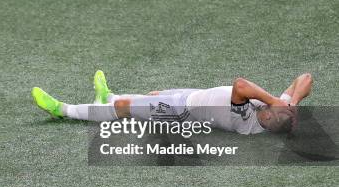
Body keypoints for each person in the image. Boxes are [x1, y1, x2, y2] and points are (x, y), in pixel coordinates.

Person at [32, 71, 313, 134]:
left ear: (268, 122)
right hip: (193, 96)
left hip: (181, 112)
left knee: (125, 109)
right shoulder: (276, 113)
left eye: (271, 112)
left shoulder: (248, 119)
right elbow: (306, 78)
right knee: (153, 94)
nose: (267, 109)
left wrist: (274, 99)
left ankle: (63, 110)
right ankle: (106, 98)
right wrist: (292, 100)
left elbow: (240, 85)